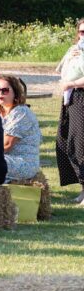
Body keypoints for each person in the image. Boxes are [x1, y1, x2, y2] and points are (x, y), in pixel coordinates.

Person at [0, 75, 41, 183]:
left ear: (15, 93)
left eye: (5, 91)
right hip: (5, 158)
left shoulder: (21, 112)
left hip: (22, 162)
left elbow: (6, 145)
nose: (0, 94)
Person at [57, 18, 84, 197]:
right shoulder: (75, 50)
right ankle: (83, 188)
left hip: (80, 96)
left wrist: (72, 83)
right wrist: (71, 57)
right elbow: (60, 70)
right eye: (81, 32)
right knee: (65, 141)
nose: (83, 36)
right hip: (71, 98)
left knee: (80, 145)